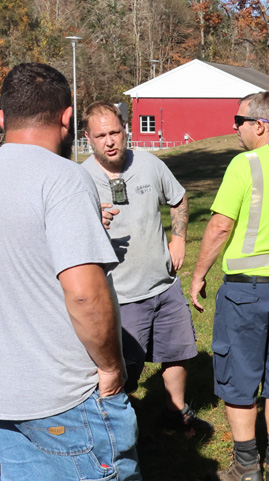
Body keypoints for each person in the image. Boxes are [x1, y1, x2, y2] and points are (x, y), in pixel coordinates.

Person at [0, 62, 215, 481]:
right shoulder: (63, 179)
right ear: (68, 118)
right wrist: (112, 367)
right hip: (69, 392)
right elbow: (85, 290)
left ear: (3, 116)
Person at [190, 91, 269, 481]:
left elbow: (220, 225)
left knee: (239, 379)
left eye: (239, 121)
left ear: (261, 125)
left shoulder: (244, 165)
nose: (234, 128)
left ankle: (246, 468)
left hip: (245, 292)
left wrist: (198, 273)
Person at [81, 101, 209, 435]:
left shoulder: (150, 164)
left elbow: (179, 199)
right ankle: (114, 431)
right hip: (119, 293)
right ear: (88, 139)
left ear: (125, 131)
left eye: (115, 132)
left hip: (163, 283)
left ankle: (175, 413)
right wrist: (94, 222)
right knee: (123, 369)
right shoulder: (80, 179)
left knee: (178, 353)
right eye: (101, 135)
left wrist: (179, 237)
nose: (110, 141)